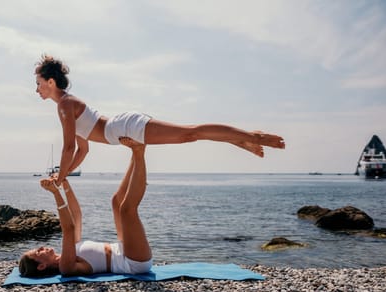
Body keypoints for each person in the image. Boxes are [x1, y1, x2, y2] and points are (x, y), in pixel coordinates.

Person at [34, 54, 286, 186]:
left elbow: (68, 148)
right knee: (190, 135)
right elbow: (82, 149)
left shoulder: (65, 105)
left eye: (39, 84)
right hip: (121, 128)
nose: (37, 90)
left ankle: (253, 136)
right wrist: (64, 175)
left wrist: (61, 177)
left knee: (190, 133)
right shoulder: (66, 105)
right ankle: (238, 141)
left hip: (124, 127)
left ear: (51, 81)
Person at [19, 138, 152, 277]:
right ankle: (139, 151)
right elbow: (68, 229)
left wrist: (65, 184)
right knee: (127, 210)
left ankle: (135, 154)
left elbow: (76, 215)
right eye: (37, 252)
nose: (41, 248)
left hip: (122, 247)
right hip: (132, 262)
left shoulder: (70, 251)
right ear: (41, 266)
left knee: (116, 202)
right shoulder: (66, 267)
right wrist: (55, 193)